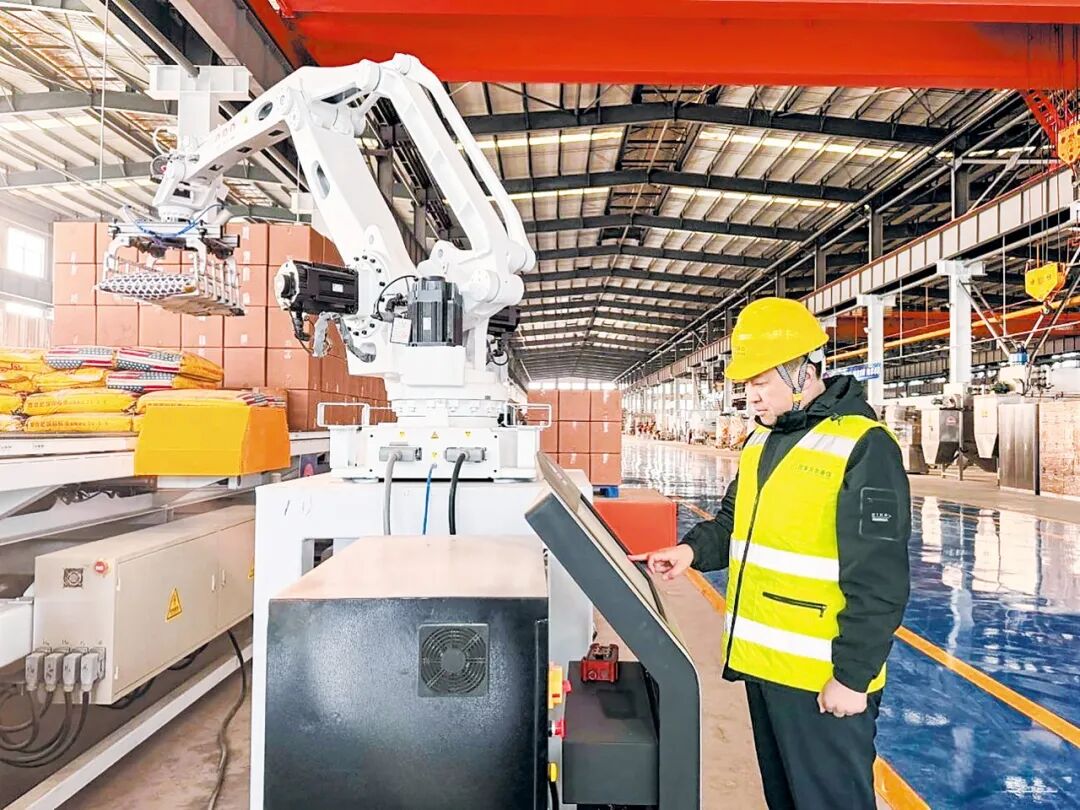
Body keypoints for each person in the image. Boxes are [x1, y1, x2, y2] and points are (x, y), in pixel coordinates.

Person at [631, 297, 910, 810]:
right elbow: (734, 522)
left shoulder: (863, 445)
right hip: (765, 668)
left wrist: (852, 677)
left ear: (803, 371)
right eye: (747, 385)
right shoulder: (761, 441)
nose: (751, 397)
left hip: (822, 679)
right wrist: (691, 551)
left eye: (761, 382)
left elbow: (880, 576)